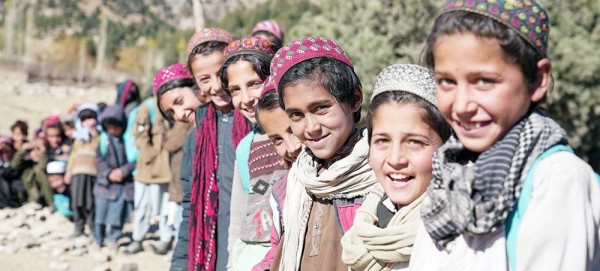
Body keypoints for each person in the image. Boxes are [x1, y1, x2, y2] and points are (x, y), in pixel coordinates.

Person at [409, 1, 600, 270]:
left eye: (484, 81)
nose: (462, 105)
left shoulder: (556, 181)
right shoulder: (449, 174)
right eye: (447, 82)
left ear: (538, 79)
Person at [270, 36, 378, 271]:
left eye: (321, 108)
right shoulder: (297, 180)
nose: (311, 127)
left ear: (355, 99)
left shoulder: (384, 170)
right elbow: (276, 249)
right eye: (296, 115)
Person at [339, 64, 451, 270]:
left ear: (447, 148)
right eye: (383, 141)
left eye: (415, 142)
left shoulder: (459, 235)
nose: (395, 158)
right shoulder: (366, 225)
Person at [170, 28, 252, 271]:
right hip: (208, 256)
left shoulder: (263, 126)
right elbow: (190, 208)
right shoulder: (196, 139)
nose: (217, 86)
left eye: (221, 74)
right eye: (205, 79)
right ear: (196, 84)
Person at [219, 37, 285, 271]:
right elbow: (238, 215)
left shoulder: (299, 136)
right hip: (251, 256)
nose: (245, 99)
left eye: (255, 84)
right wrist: (231, 263)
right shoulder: (245, 147)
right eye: (235, 90)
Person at [251, 77, 303, 271]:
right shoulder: (282, 193)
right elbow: (278, 248)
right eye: (277, 140)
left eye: (293, 130)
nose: (292, 147)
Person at [125, 70, 174, 256]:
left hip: (164, 167)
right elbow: (139, 134)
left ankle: (165, 240)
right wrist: (151, 154)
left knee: (164, 207)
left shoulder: (167, 104)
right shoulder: (147, 107)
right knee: (143, 205)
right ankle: (138, 238)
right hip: (148, 167)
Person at [94, 105, 136, 250]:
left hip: (122, 184)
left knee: (118, 214)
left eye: (115, 128)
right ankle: (98, 239)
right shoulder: (103, 140)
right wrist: (108, 173)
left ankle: (114, 238)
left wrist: (123, 171)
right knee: (100, 213)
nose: (112, 131)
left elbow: (135, 159)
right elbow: (99, 159)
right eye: (109, 128)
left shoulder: (129, 140)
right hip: (105, 183)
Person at [65, 103, 102, 238]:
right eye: (84, 119)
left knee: (90, 202)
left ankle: (92, 228)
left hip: (92, 173)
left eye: (90, 118)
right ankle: (78, 226)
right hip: (77, 173)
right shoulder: (78, 138)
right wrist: (69, 171)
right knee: (77, 200)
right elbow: (73, 156)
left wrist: (94, 133)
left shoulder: (100, 136)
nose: (87, 122)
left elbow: (101, 150)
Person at [11, 136, 53, 207]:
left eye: (38, 149)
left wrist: (43, 151)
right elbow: (14, 165)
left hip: (48, 200)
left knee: (39, 170)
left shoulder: (49, 162)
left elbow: (43, 166)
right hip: (32, 201)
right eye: (33, 150)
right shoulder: (27, 165)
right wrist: (23, 150)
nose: (36, 153)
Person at [0, 136, 26, 208]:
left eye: (7, 151)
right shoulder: (1, 164)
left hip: (16, 200)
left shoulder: (19, 162)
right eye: (2, 152)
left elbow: (11, 169)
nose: (5, 154)